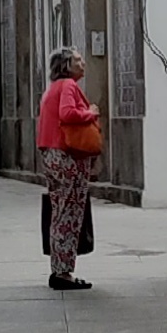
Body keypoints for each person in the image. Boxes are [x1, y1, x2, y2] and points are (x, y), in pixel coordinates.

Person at [36, 47, 102, 290]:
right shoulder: (67, 87)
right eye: (77, 60)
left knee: (60, 210)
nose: (83, 63)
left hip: (51, 152)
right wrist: (90, 113)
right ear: (66, 66)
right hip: (66, 154)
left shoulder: (53, 88)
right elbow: (67, 113)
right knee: (69, 212)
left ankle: (59, 268)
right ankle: (62, 273)